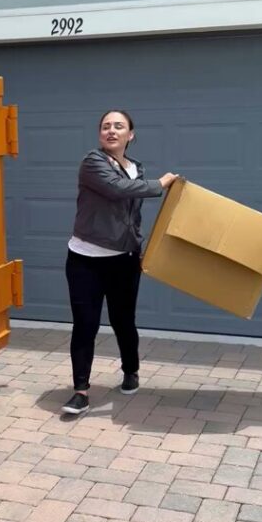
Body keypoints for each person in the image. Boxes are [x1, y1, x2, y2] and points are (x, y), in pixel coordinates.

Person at [62, 110, 177, 415]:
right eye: (105, 126)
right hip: (85, 261)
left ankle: (131, 370)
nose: (111, 131)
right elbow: (116, 189)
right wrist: (161, 184)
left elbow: (132, 215)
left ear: (131, 135)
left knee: (123, 321)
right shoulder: (93, 162)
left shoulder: (137, 168)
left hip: (123, 262)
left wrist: (140, 248)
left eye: (118, 126)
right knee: (85, 325)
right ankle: (81, 391)